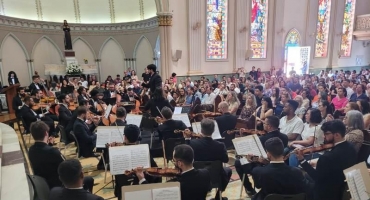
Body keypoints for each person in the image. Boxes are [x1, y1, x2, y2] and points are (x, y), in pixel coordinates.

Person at [297, 120, 357, 200]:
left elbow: (316, 177)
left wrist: (302, 161)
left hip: (325, 193)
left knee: (302, 179)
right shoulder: (351, 148)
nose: (323, 136)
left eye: (326, 134)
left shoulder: (327, 157)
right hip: (342, 189)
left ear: (337, 135)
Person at [29, 121, 94, 191]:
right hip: (59, 185)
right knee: (89, 180)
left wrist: (49, 145)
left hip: (43, 186)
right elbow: (67, 166)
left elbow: (43, 155)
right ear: (46, 133)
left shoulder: (31, 150)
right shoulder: (52, 151)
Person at [235, 116, 288, 195]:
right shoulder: (285, 137)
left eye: (264, 123)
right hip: (280, 161)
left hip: (264, 164)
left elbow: (257, 156)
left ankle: (249, 188)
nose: (263, 125)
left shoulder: (262, 139)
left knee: (238, 162)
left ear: (269, 126)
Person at [135, 145, 211, 200]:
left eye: (174, 161)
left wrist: (142, 179)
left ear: (180, 164)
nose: (173, 163)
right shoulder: (205, 173)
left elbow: (152, 195)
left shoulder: (174, 185)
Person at [106, 124, 161, 200]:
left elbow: (112, 169)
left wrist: (111, 151)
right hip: (143, 189)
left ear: (125, 137)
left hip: (124, 190)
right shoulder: (144, 150)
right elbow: (155, 170)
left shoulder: (117, 152)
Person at [183, 118, 231, 200]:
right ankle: (218, 197)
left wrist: (187, 139)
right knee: (228, 170)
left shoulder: (193, 143)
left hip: (198, 176)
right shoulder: (220, 145)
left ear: (201, 130)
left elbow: (186, 155)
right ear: (213, 130)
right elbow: (226, 160)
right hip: (215, 176)